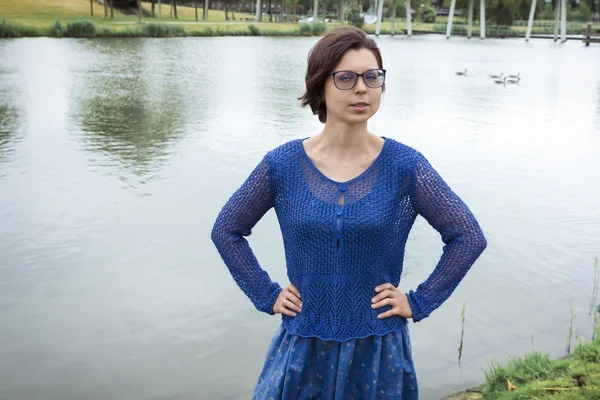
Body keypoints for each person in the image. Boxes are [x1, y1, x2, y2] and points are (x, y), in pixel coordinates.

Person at [211, 26, 487, 399]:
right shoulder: (282, 165)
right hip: (303, 346)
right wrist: (267, 293)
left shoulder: (405, 166)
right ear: (319, 86)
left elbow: (468, 236)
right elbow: (227, 229)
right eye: (346, 78)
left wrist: (418, 301)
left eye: (372, 77)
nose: (362, 89)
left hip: (376, 350)